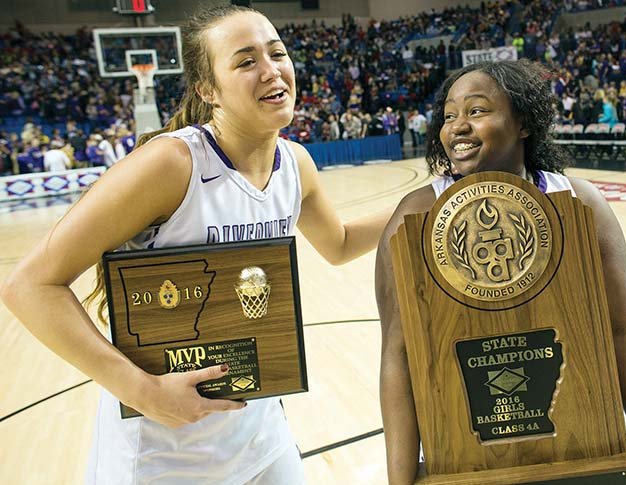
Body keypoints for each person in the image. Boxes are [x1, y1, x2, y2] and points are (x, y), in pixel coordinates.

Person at [1, 5, 390, 485]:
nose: (271, 70)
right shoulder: (170, 164)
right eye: (246, 61)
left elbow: (341, 243)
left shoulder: (296, 163)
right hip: (163, 459)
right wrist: (142, 391)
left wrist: (431, 198)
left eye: (278, 53)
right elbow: (30, 285)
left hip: (260, 436)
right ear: (208, 90)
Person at [375, 60, 626, 485]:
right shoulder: (415, 215)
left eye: (477, 111)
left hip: (586, 456)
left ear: (523, 123)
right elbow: (398, 356)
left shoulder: (579, 203)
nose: (457, 126)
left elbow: (625, 333)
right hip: (466, 468)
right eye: (449, 115)